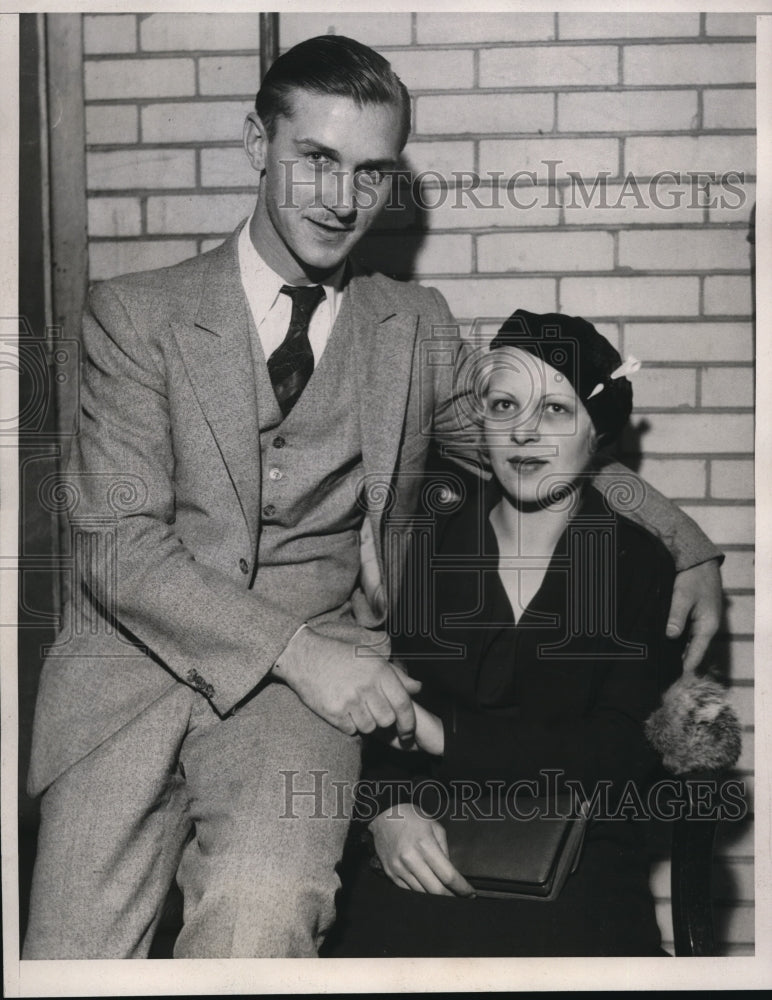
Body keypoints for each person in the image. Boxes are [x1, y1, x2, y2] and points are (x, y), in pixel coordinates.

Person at [23, 36, 721, 960]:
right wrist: (301, 650)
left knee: (261, 915)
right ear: (255, 143)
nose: (342, 198)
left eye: (372, 171)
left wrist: (683, 538)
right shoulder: (134, 312)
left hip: (296, 711)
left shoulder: (412, 325)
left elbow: (540, 447)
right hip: (131, 677)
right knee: (70, 955)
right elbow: (117, 543)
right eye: (316, 158)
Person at [324, 310, 687, 958]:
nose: (523, 431)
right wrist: (383, 812)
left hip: (580, 859)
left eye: (554, 409)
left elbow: (620, 755)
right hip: (429, 845)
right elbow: (378, 720)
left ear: (598, 431)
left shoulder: (638, 564)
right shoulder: (430, 547)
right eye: (504, 404)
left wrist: (444, 734)